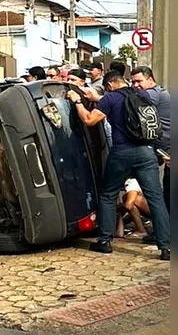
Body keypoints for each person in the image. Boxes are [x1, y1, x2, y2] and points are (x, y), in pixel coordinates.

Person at [66, 71, 170, 260]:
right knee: (156, 198)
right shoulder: (142, 95)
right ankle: (166, 247)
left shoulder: (110, 98)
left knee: (108, 194)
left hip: (122, 153)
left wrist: (77, 101)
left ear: (109, 85)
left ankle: (104, 242)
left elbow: (89, 120)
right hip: (146, 152)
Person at [131, 66, 170, 217]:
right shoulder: (158, 92)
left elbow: (128, 104)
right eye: (133, 82)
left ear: (151, 80)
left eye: (139, 81)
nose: (136, 85)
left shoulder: (152, 94)